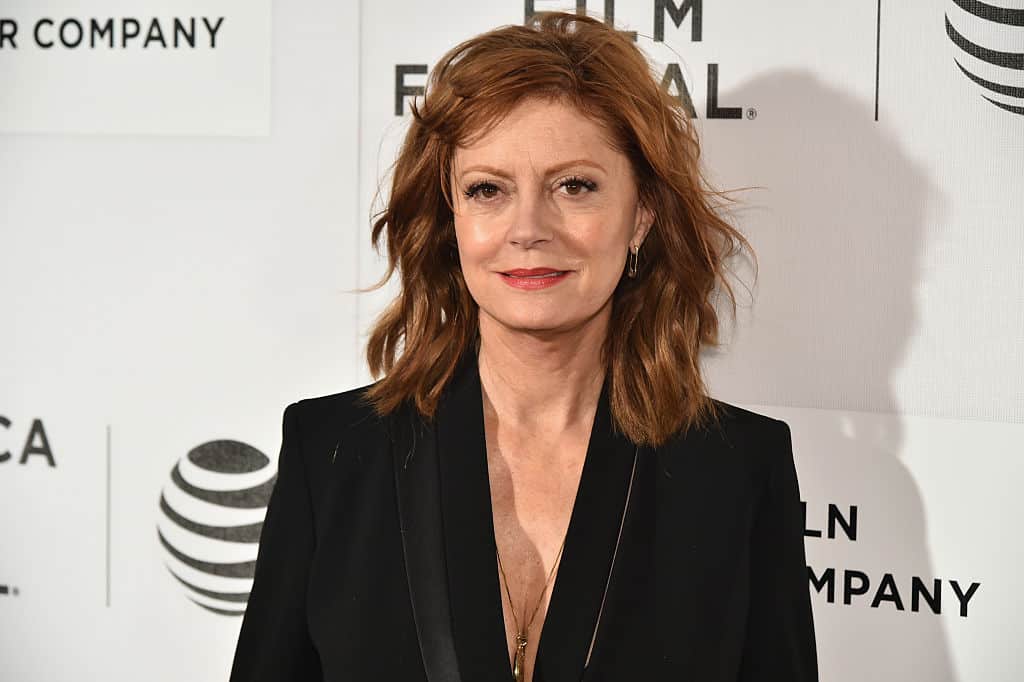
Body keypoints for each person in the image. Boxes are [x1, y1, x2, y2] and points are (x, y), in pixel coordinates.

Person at [229, 11, 817, 682]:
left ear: (642, 215)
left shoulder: (737, 470)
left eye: (575, 186)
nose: (529, 228)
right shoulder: (333, 454)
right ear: (451, 217)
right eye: (488, 189)